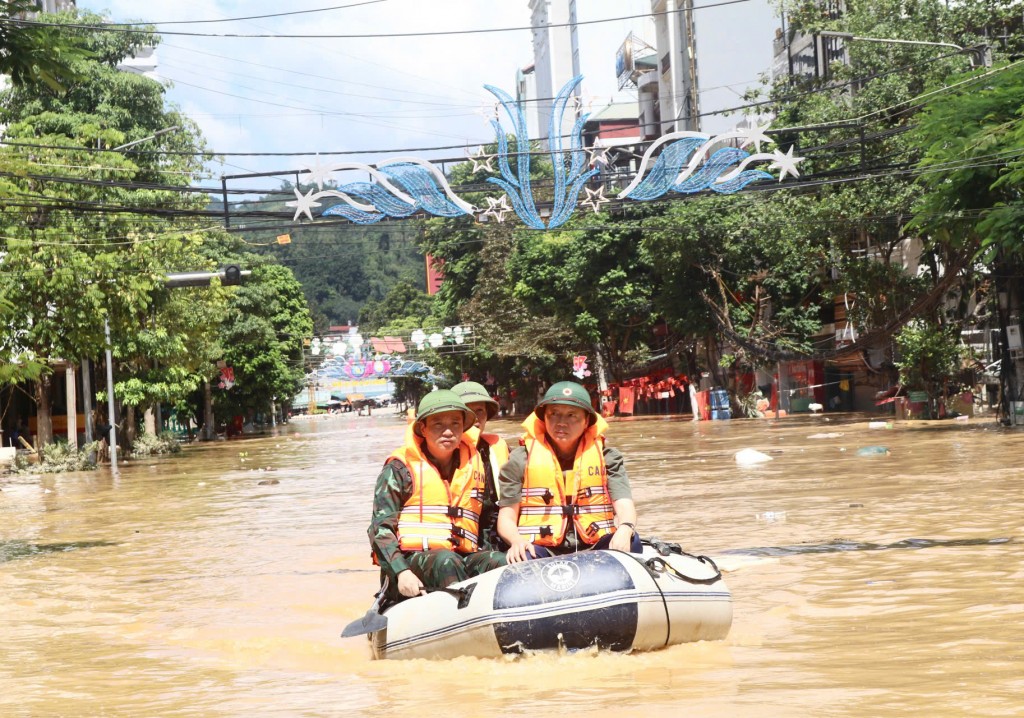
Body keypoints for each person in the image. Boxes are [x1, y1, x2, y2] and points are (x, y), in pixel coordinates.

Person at [368, 390, 506, 600]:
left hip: (462, 556)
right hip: (410, 563)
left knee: (500, 561)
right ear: (423, 428)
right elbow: (380, 529)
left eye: (455, 424)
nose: (448, 432)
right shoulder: (399, 470)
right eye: (438, 424)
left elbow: (485, 523)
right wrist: (401, 571)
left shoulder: (474, 467)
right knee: (446, 560)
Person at [497, 381, 642, 563]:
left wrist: (625, 528)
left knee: (633, 541)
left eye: (571, 415)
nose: (561, 423)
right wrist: (516, 541)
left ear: (586, 421)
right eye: (554, 414)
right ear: (544, 419)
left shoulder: (608, 458)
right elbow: (506, 517)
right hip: (541, 549)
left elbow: (624, 506)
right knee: (521, 556)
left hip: (595, 545)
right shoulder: (520, 459)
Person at [452, 381, 510, 551]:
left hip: (495, 540)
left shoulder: (500, 450)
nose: (476, 419)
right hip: (455, 545)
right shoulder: (439, 456)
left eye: (480, 411)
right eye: (468, 412)